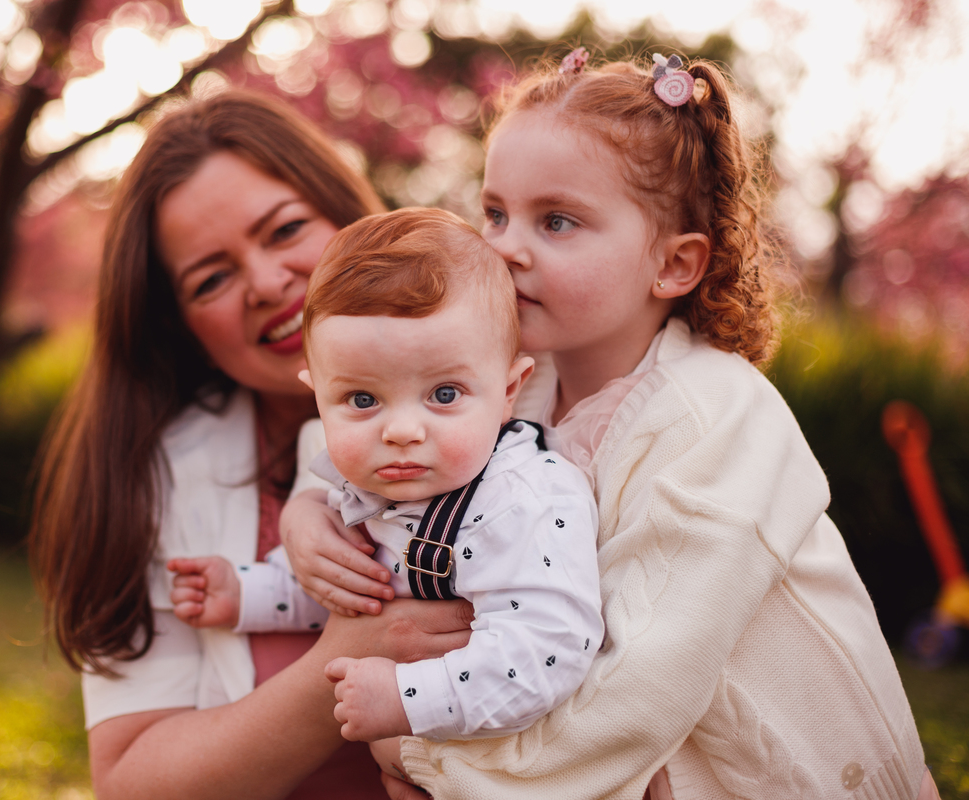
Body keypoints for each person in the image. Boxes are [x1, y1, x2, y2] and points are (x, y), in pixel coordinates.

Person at [281, 53, 936, 800]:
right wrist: (308, 506)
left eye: (556, 221)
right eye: (494, 212)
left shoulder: (711, 417)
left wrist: (428, 764)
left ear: (674, 263)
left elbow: (639, 686)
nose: (505, 247)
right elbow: (376, 421)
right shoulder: (529, 385)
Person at [27, 91, 477, 800]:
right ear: (182, 328)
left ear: (349, 215)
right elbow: (129, 781)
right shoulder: (157, 480)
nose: (268, 284)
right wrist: (349, 657)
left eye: (285, 229)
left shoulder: (522, 378)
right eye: (212, 278)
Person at [167, 208, 603, 786]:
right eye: (363, 400)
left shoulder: (520, 503)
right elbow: (355, 588)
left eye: (444, 393)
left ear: (508, 392)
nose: (401, 430)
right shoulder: (377, 487)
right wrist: (247, 591)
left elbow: (548, 653)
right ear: (318, 398)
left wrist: (406, 696)